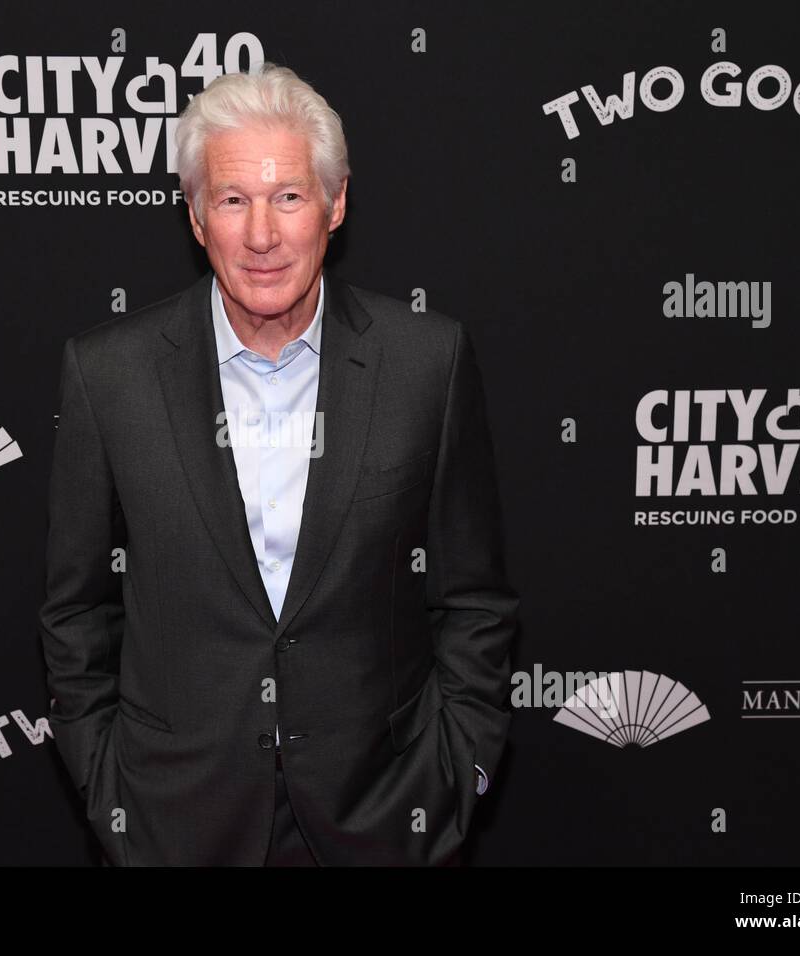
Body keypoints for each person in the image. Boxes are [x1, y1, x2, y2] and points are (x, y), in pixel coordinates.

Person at [40, 62, 517, 866]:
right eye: (232, 200)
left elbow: (473, 600)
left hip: (382, 816)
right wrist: (109, 791)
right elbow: (76, 613)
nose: (262, 235)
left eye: (289, 196)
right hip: (175, 822)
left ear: (335, 204)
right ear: (195, 216)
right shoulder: (108, 375)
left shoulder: (426, 362)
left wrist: (451, 777)